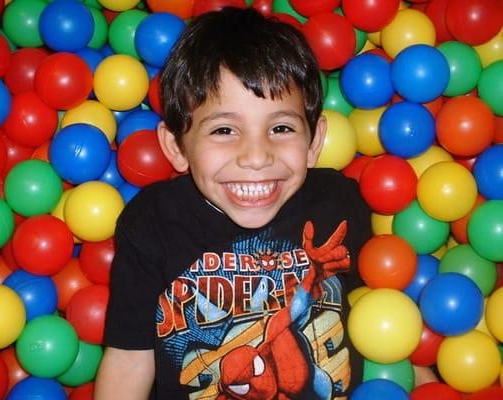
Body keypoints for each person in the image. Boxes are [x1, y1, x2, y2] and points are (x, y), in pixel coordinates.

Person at [95, 7, 433, 400]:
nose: (256, 156)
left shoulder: (343, 204)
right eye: (224, 130)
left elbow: (385, 318)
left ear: (314, 141)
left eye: (281, 128)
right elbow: (129, 359)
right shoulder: (152, 221)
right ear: (176, 147)